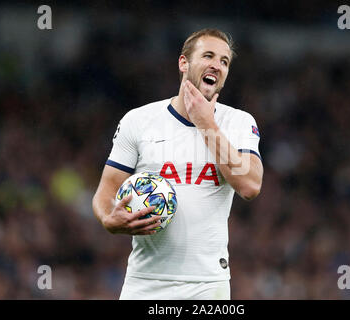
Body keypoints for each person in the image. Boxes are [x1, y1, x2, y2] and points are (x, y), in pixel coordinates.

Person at [92, 28, 264, 300]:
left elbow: (250, 185)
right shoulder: (139, 121)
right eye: (208, 56)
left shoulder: (239, 123)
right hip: (144, 281)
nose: (216, 65)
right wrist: (108, 219)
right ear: (184, 63)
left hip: (208, 284)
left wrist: (206, 123)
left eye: (224, 61)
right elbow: (106, 192)